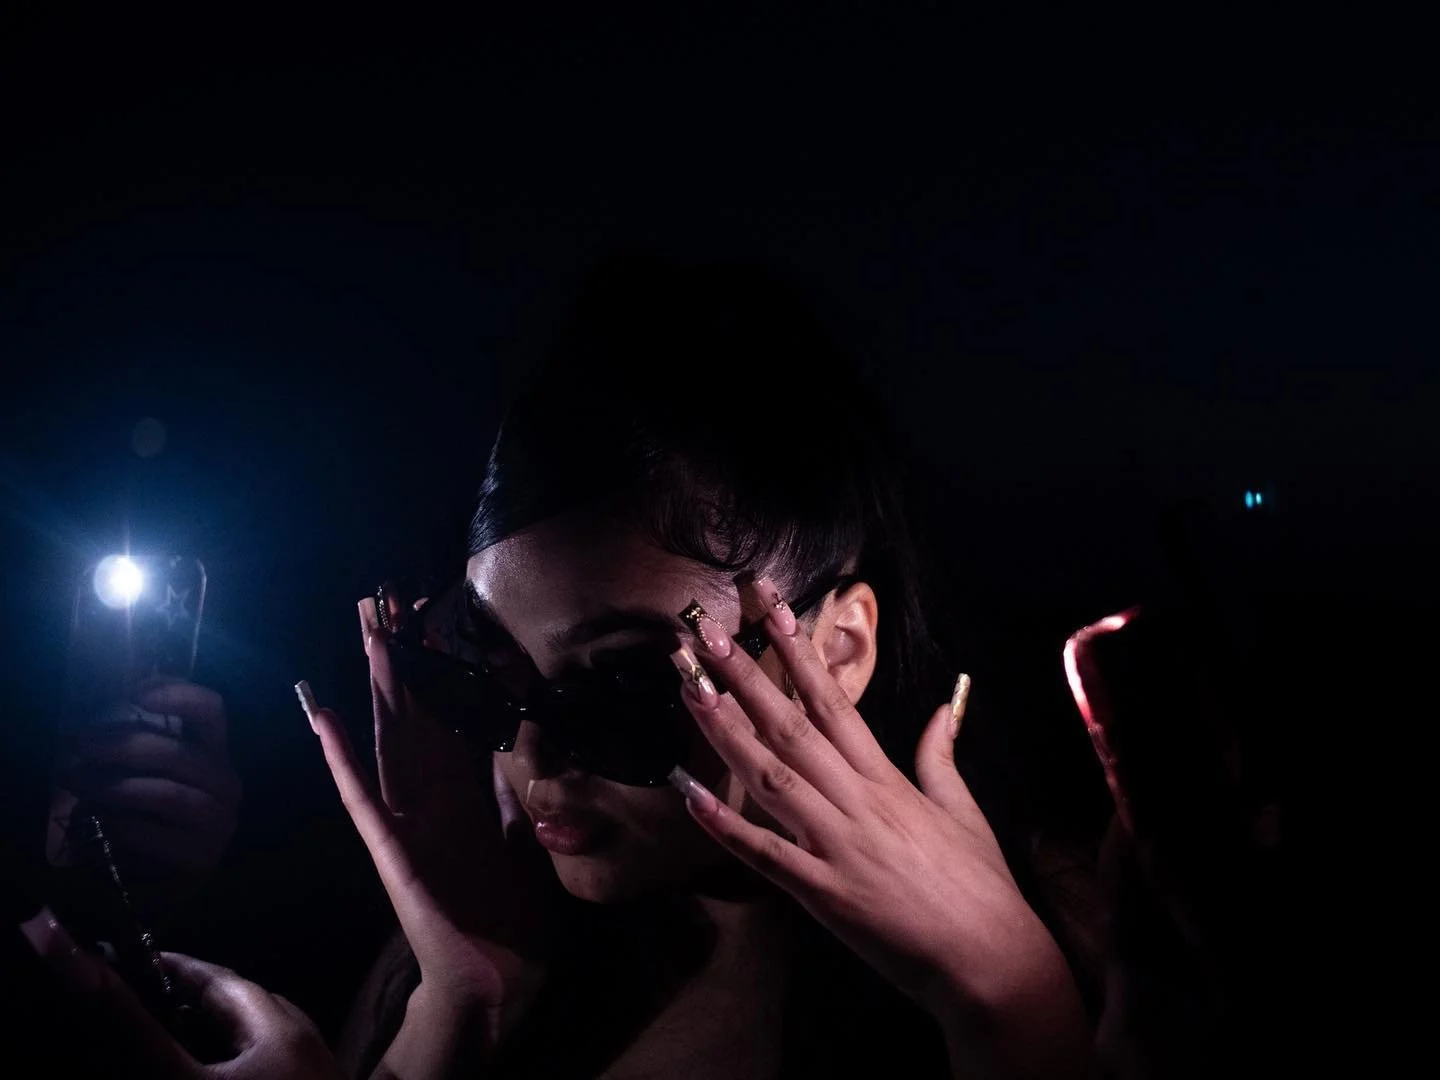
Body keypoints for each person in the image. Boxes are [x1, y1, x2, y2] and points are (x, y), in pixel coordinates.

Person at [19, 257, 1093, 1078]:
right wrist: (462, 1006)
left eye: (622, 684)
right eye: (488, 666)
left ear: (839, 647)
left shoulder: (1079, 951)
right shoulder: (484, 925)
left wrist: (1015, 1013)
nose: (529, 750)